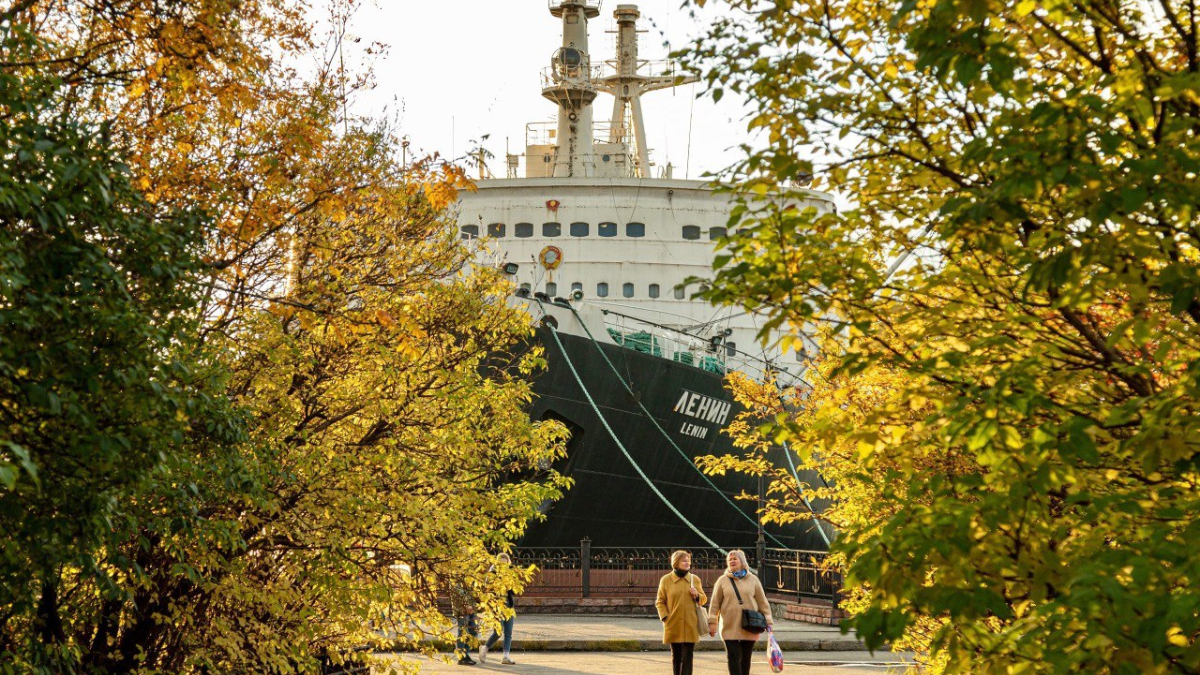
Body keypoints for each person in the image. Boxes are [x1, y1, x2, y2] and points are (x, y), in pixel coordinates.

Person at [706, 549, 773, 675]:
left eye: (735, 559)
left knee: (745, 658)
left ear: (742, 562)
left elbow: (762, 602)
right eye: (730, 559)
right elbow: (715, 604)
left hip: (750, 626)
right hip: (729, 626)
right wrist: (712, 622)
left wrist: (768, 621)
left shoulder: (753, 580)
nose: (732, 561)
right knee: (733, 656)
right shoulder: (722, 580)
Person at [656, 550, 709, 675]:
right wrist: (665, 617)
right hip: (673, 623)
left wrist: (697, 595)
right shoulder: (666, 580)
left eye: (688, 561)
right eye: (684, 561)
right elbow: (660, 601)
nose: (687, 563)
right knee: (677, 657)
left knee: (688, 657)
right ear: (676, 562)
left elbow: (703, 599)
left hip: (690, 623)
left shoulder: (694, 579)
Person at [479, 553, 517, 665]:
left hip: (509, 606)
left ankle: (506, 656)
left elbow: (514, 591)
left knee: (508, 632)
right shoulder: (492, 574)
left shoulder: (510, 573)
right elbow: (487, 589)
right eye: (501, 563)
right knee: (498, 632)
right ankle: (485, 647)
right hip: (497, 607)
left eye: (506, 563)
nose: (503, 566)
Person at [450, 580, 479, 666]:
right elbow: (455, 589)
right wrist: (466, 604)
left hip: (472, 607)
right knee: (463, 632)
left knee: (474, 631)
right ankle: (461, 657)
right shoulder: (456, 572)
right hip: (462, 609)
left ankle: (465, 654)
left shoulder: (471, 571)